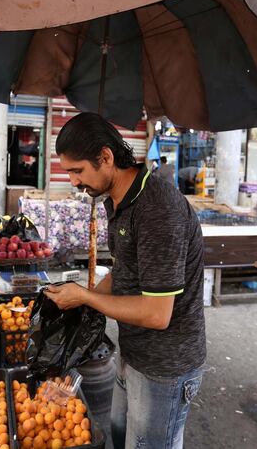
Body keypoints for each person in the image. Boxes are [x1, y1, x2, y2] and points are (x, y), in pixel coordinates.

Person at [46, 112, 205, 449]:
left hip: (165, 366)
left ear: (105, 157)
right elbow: (126, 273)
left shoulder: (158, 210)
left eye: (77, 171)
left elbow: (156, 314)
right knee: (119, 438)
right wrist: (78, 299)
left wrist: (86, 298)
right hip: (133, 353)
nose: (73, 181)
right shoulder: (115, 199)